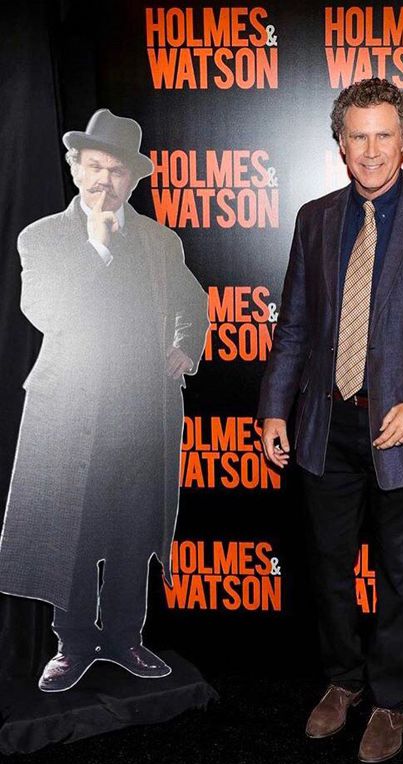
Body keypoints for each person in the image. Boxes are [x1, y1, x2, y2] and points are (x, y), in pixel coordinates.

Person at [258, 78, 403, 763]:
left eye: (383, 135)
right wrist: (274, 407)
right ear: (340, 143)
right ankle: (342, 681)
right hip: (325, 427)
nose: (370, 150)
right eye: (357, 136)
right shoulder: (315, 219)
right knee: (329, 569)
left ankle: (391, 700)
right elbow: (294, 327)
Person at [0, 109, 208, 692]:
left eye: (116, 171)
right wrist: (95, 247)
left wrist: (186, 346)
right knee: (70, 529)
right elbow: (45, 311)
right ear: (76, 168)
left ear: (132, 180)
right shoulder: (42, 237)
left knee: (133, 533)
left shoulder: (160, 241)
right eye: (94, 167)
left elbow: (193, 302)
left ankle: (124, 638)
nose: (104, 181)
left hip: (142, 415)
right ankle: (72, 645)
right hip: (70, 417)